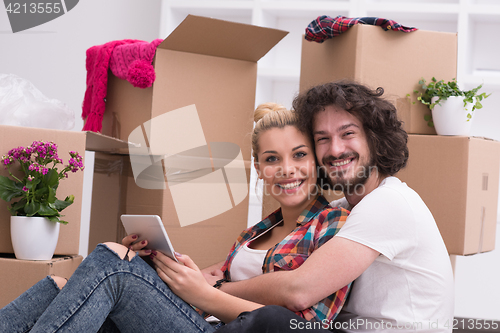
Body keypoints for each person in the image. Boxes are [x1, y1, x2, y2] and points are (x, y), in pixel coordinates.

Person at [0, 103, 350, 332]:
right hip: (199, 321)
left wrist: (205, 294)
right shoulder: (256, 233)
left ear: (316, 160)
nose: (287, 170)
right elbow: (205, 289)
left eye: (299, 155)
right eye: (272, 159)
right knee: (64, 286)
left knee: (111, 263)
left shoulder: (333, 224)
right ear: (258, 169)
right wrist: (163, 268)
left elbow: (307, 324)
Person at [219, 81, 455, 332]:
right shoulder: (342, 209)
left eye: (348, 133)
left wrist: (214, 290)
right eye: (323, 139)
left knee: (274, 320)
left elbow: (299, 290)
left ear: (374, 139)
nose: (335, 149)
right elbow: (273, 255)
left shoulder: (389, 202)